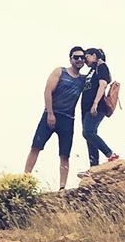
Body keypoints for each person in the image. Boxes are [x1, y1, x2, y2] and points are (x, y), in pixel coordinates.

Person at [24, 46, 87, 190]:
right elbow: (47, 91)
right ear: (70, 59)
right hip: (52, 114)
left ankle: (62, 187)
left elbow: (100, 78)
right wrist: (50, 113)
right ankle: (25, 179)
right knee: (36, 146)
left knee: (65, 154)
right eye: (76, 57)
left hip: (68, 118)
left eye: (82, 57)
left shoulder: (83, 79)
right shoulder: (60, 71)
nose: (79, 60)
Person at [81, 48, 119, 167]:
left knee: (88, 132)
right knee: (90, 137)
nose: (84, 60)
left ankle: (110, 154)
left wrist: (95, 103)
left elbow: (102, 84)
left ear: (93, 55)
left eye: (86, 57)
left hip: (97, 106)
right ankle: (94, 167)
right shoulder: (91, 71)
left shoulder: (101, 66)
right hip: (86, 108)